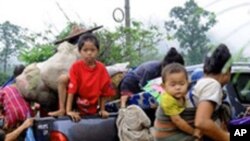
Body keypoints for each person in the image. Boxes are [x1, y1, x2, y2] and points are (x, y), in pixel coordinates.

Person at [65, 33, 115, 122]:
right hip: (77, 105)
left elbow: (105, 90)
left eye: (93, 50)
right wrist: (69, 111)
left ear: (98, 51)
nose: (89, 53)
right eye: (85, 50)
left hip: (93, 107)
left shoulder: (101, 68)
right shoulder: (76, 67)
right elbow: (72, 89)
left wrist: (102, 110)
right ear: (80, 51)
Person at [120, 47, 185, 108]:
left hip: (145, 86)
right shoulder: (151, 70)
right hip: (131, 83)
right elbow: (145, 87)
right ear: (164, 66)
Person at [191, 44, 232, 141]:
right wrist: (226, 137)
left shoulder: (202, 82)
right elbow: (201, 122)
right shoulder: (212, 85)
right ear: (226, 71)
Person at [153, 63, 201, 141]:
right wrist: (193, 132)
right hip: (166, 135)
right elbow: (177, 121)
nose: (178, 87)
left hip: (176, 131)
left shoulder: (184, 96)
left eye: (182, 84)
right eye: (173, 85)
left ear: (187, 83)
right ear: (164, 86)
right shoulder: (167, 99)